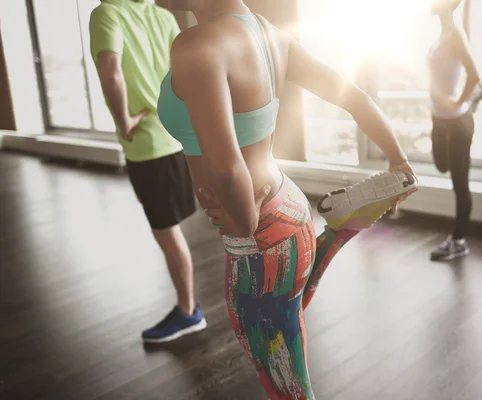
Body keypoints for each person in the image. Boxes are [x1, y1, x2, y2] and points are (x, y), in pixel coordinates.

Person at [158, 0, 417, 398]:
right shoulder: (268, 32)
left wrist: (244, 230)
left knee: (288, 387)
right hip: (288, 207)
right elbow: (356, 97)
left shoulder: (197, 45)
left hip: (257, 224)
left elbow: (227, 170)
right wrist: (398, 161)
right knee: (284, 310)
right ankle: (343, 225)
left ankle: (342, 228)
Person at [89, 0, 206, 343]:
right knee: (173, 227)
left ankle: (188, 312)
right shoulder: (163, 15)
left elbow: (110, 71)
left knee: (166, 232)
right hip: (176, 136)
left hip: (149, 145)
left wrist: (124, 119)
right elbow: (182, 74)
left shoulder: (106, 13)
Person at [427, 0, 482, 261]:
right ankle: (476, 99)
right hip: (438, 118)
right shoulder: (444, 35)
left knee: (459, 184)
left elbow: (473, 73)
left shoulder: (454, 35)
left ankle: (459, 240)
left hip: (456, 122)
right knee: (441, 165)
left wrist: (459, 102)